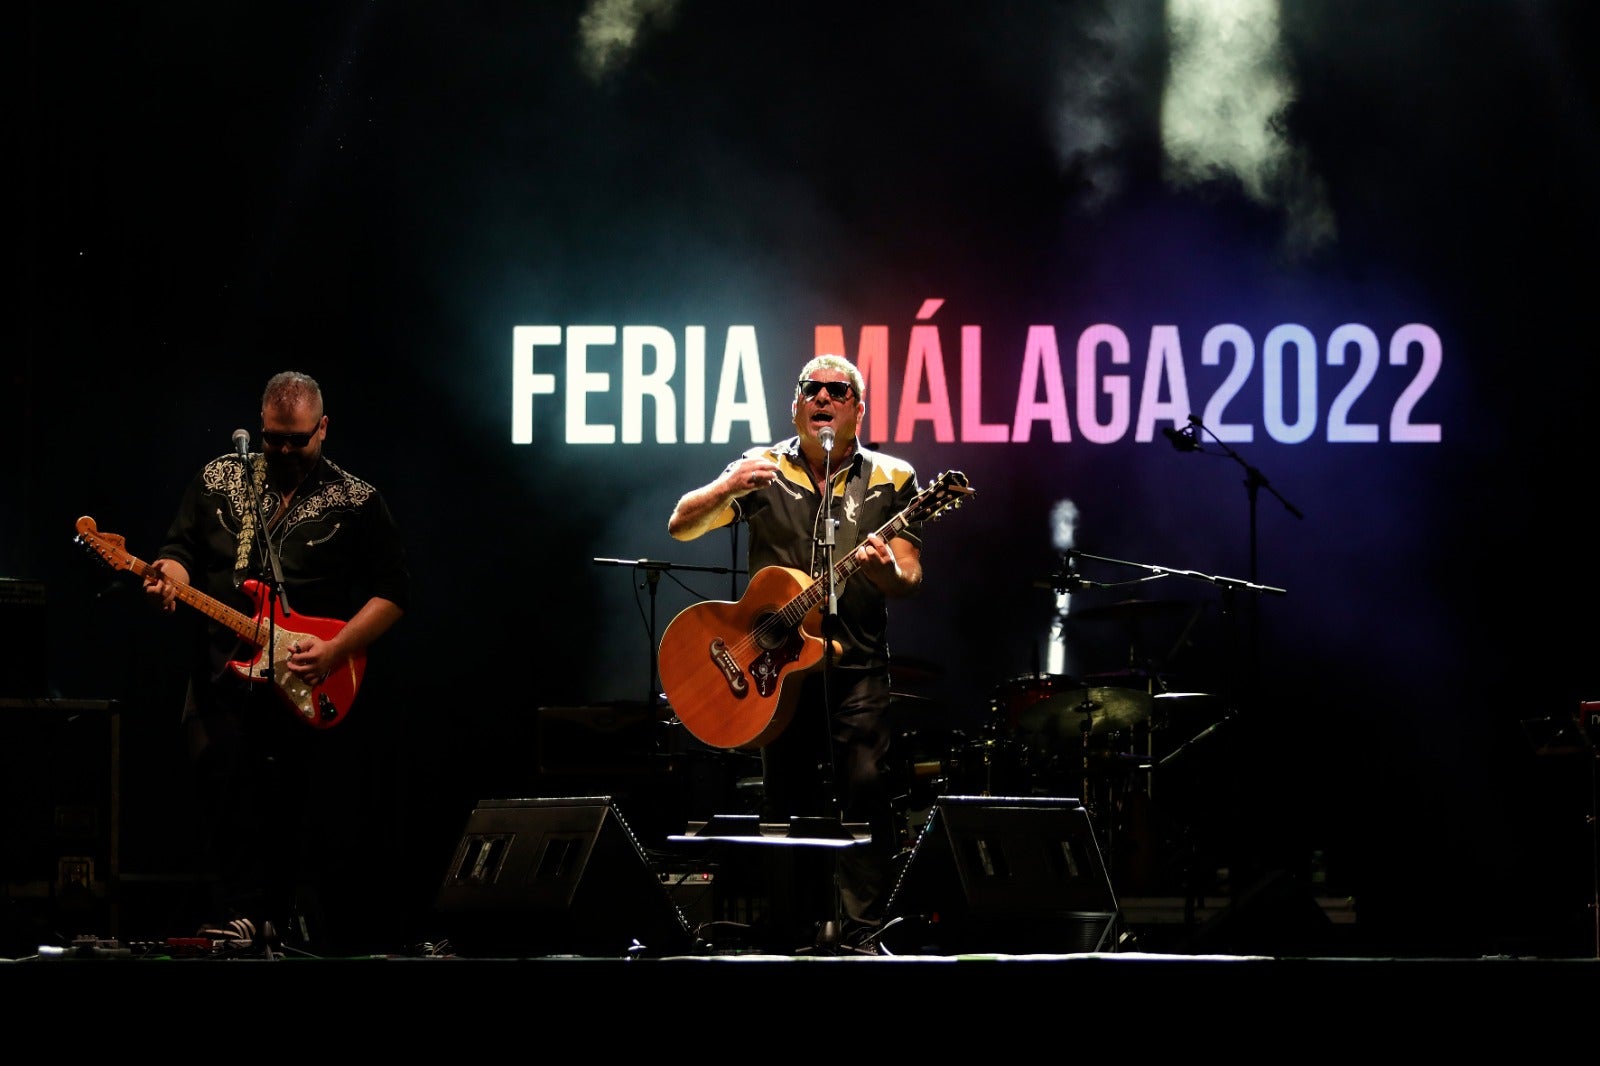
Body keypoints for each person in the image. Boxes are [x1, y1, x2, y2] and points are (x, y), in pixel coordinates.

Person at [142, 370, 409, 953]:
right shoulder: (219, 478)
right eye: (274, 440)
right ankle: (237, 915)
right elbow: (179, 551)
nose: (285, 451)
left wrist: (336, 649)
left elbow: (393, 593)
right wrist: (170, 580)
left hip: (306, 676)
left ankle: (282, 920)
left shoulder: (356, 500)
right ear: (258, 429)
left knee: (295, 805)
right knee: (219, 785)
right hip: (220, 671)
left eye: (298, 440)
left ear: (323, 429)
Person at [667, 353, 924, 951]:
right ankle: (788, 928)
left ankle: (863, 932)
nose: (825, 399)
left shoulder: (891, 475)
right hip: (772, 672)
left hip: (855, 663)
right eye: (814, 388)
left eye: (840, 391)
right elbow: (680, 524)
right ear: (796, 403)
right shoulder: (761, 467)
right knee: (784, 799)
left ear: (858, 408)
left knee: (865, 787)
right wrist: (728, 485)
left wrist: (886, 570)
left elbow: (911, 576)